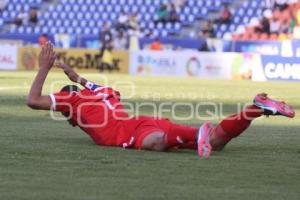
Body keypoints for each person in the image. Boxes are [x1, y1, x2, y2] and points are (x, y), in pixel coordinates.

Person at [27, 43, 295, 158]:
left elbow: (33, 100)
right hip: (143, 123)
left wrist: (44, 68)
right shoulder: (102, 92)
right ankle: (256, 107)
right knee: (217, 144)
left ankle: (197, 131)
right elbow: (95, 86)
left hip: (132, 133)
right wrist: (80, 78)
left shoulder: (73, 101)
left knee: (155, 144)